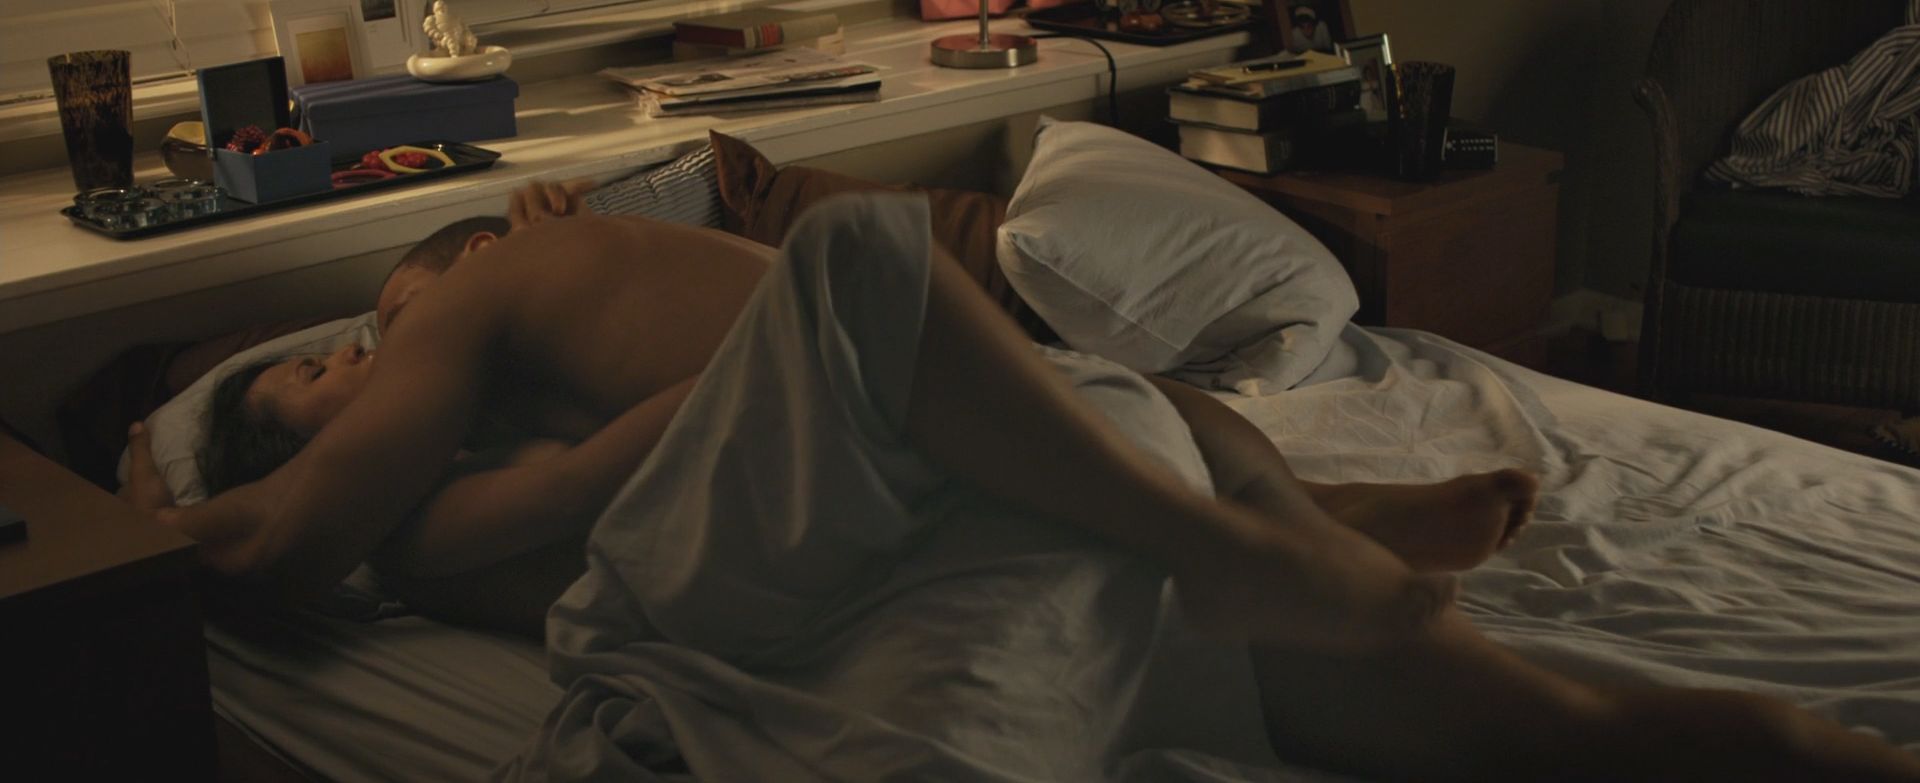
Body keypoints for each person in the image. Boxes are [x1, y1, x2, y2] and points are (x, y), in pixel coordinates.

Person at [136, 191, 1920, 780]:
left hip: (1017, 479)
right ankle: (1278, 531)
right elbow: (317, 535)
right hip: (1032, 500)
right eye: (306, 382)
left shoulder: (493, 287)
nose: (341, 379)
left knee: (861, 258)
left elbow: (289, 534)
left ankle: (1267, 531)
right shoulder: (459, 462)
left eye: (335, 353)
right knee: (1565, 737)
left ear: (439, 276)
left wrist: (169, 506)